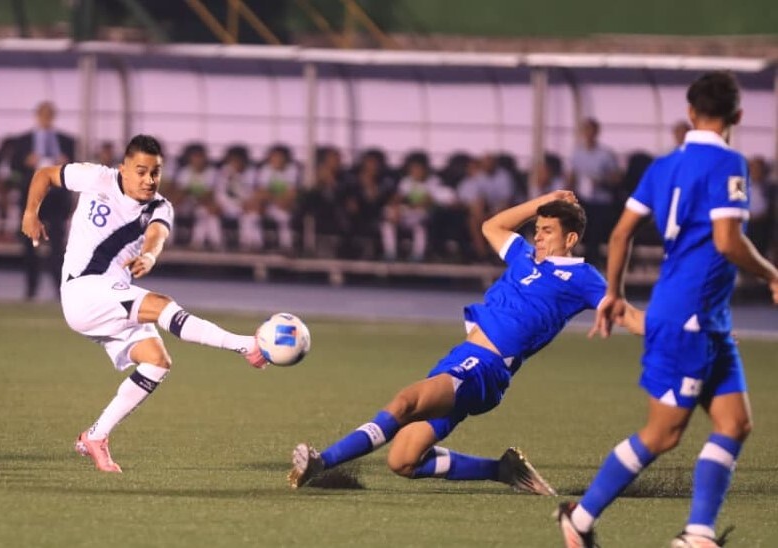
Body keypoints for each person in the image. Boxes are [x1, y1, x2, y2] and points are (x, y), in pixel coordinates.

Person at [288, 190, 640, 493]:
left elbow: (628, 315)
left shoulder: (582, 277)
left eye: (548, 231)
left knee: (406, 401)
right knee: (404, 460)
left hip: (485, 369)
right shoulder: (524, 257)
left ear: (571, 239)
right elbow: (493, 226)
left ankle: (323, 461)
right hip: (463, 357)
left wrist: (678, 332)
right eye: (537, 230)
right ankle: (502, 470)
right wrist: (544, 202)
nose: (539, 238)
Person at [555, 71, 778, 548]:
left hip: (708, 319)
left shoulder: (662, 166)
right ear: (738, 116)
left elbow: (619, 233)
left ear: (690, 112)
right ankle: (580, 517)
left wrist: (613, 291)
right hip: (687, 316)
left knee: (734, 424)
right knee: (663, 434)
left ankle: (697, 534)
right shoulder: (729, 164)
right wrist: (772, 274)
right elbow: (727, 241)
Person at [21, 134, 268, 473]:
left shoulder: (159, 206)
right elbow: (45, 175)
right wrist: (31, 213)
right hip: (83, 291)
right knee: (163, 305)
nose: (149, 180)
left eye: (155, 173)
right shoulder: (98, 178)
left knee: (157, 362)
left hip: (111, 294)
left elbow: (157, 234)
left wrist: (150, 254)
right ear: (123, 169)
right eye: (141, 171)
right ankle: (246, 345)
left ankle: (96, 436)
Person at [13, 101, 76, 300]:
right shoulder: (23, 140)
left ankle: (60, 290)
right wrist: (26, 162)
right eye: (43, 114)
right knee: (29, 245)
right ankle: (31, 289)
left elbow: (77, 166)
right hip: (33, 198)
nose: (46, 118)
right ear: (37, 115)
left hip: (56, 198)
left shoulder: (67, 141)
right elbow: (14, 165)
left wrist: (65, 164)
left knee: (57, 246)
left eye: (50, 114)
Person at [569, 117, 623, 267]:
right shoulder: (577, 153)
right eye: (586, 130)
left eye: (591, 130)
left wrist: (601, 181)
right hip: (582, 199)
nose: (588, 134)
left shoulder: (605, 154)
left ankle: (593, 262)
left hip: (600, 201)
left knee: (595, 229)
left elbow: (616, 178)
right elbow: (571, 176)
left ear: (596, 132)